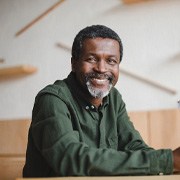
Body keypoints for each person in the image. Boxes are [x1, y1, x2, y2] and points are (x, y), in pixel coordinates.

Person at [23, 25, 180, 177]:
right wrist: (169, 160)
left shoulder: (113, 98)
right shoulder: (52, 99)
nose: (102, 69)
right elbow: (71, 159)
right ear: (74, 63)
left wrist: (171, 162)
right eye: (91, 59)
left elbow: (134, 146)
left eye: (111, 61)